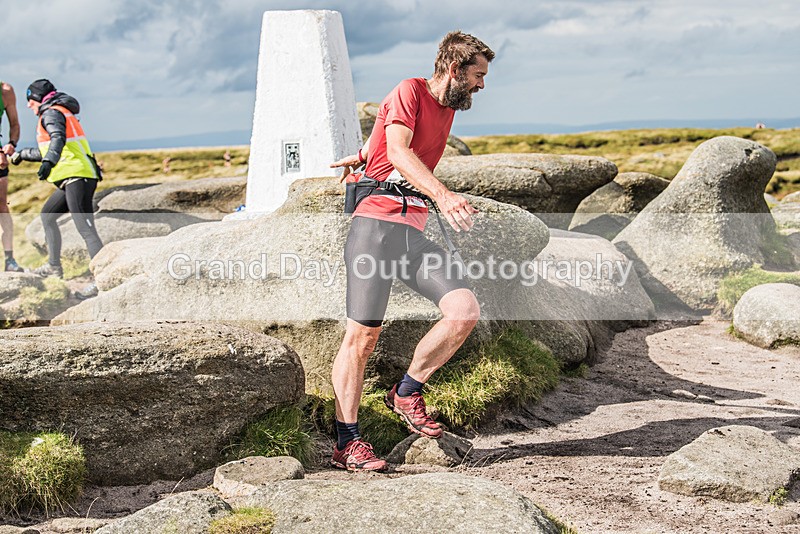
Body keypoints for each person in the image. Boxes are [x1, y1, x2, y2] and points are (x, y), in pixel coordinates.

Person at [328, 31, 494, 471]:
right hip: (375, 229)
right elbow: (399, 151)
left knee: (463, 311)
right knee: (362, 338)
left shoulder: (448, 107)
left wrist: (363, 153)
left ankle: (405, 392)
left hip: (411, 235)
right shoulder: (410, 89)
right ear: (454, 69)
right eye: (478, 75)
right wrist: (444, 195)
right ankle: (347, 442)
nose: (482, 85)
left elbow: (387, 138)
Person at [13, 79, 102, 296]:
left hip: (78, 176)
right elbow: (50, 148)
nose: (28, 105)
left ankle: (102, 280)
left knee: (86, 230)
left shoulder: (51, 113)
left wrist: (48, 162)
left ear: (38, 98)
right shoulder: (57, 111)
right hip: (71, 177)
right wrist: (23, 154)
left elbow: (57, 139)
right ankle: (54, 268)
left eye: (30, 99)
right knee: (47, 216)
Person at [0, 81, 23, 272]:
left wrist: (10, 144)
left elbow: (14, 124)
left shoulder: (5, 91)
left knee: (2, 206)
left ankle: (9, 260)